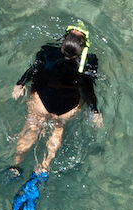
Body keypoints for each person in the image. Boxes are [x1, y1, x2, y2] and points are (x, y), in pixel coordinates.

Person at [7, 24, 102, 195]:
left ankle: (15, 166)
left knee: (32, 127)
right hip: (66, 110)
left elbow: (35, 69)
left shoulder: (47, 51)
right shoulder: (90, 62)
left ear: (63, 41)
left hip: (41, 103)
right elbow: (88, 91)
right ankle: (42, 169)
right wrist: (94, 112)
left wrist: (21, 83)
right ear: (82, 48)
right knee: (58, 129)